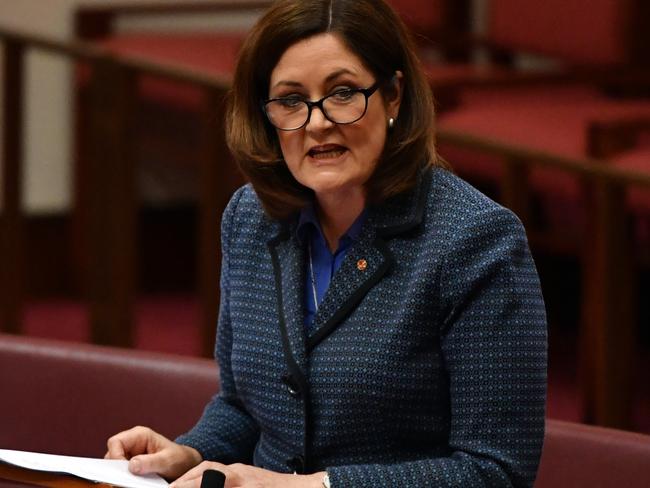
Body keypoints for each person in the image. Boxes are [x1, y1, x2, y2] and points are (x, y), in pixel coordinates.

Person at [105, 0, 547, 486]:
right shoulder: (251, 217)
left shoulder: (475, 241)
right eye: (291, 100)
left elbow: (495, 472)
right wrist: (190, 451)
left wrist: (307, 486)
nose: (316, 123)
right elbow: (244, 406)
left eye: (341, 93)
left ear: (394, 95)